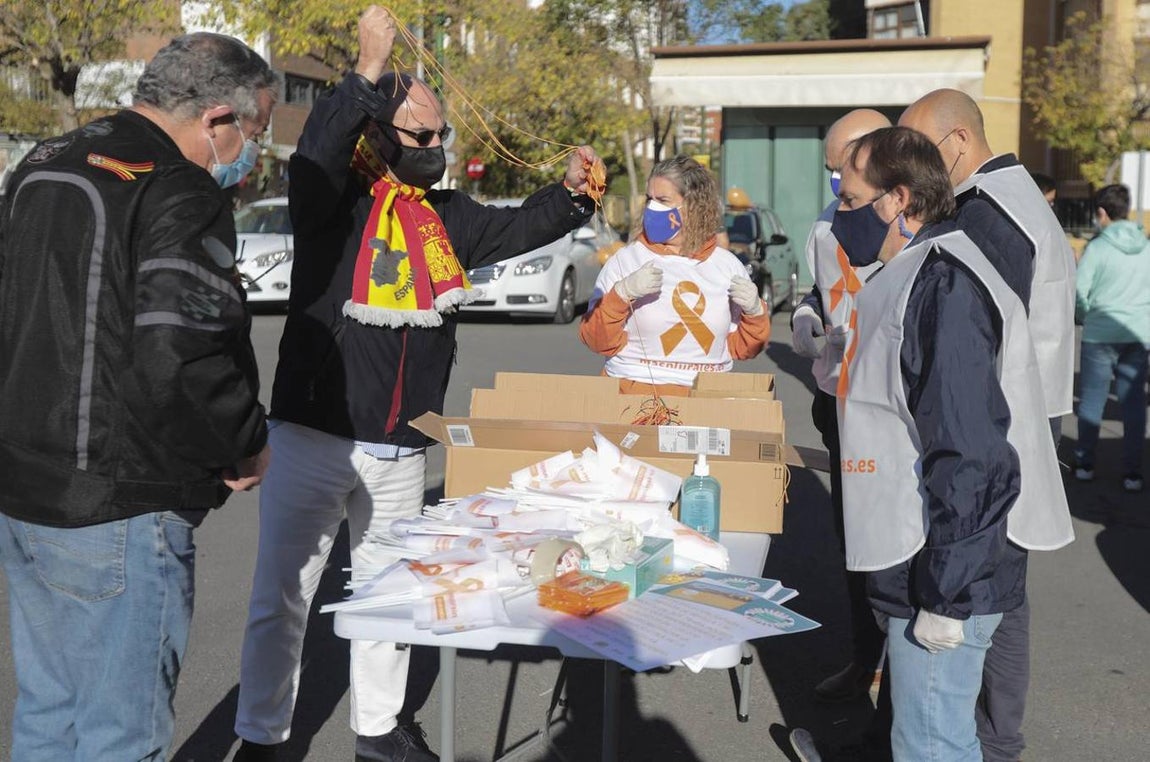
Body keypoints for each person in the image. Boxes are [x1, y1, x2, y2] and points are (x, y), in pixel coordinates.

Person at [232, 7, 602, 762]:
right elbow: (317, 150)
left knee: (387, 595)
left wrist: (575, 195)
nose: (437, 148)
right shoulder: (330, 203)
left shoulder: (449, 218)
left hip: (403, 446)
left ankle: (378, 730)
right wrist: (366, 71)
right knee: (284, 597)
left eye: (441, 136)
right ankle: (263, 736)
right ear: (378, 137)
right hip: (312, 435)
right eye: (421, 137)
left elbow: (519, 227)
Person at [0, 32, 274, 760]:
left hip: (26, 487)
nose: (254, 152)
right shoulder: (175, 186)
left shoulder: (43, 161)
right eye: (256, 131)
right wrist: (245, 439)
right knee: (122, 732)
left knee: (48, 715)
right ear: (218, 119)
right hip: (118, 500)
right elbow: (181, 349)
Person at [834, 126, 1074, 762]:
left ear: (899, 199)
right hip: (928, 561)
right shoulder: (919, 272)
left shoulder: (943, 285)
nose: (840, 215)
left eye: (853, 201)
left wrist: (948, 597)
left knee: (933, 746)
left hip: (943, 577)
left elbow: (969, 450)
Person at [899, 88, 1077, 762]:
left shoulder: (985, 217)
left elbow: (963, 353)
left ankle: (991, 743)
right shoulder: (1018, 198)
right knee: (1006, 597)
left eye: (918, 153)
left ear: (956, 145)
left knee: (985, 598)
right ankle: (998, 739)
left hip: (994, 434)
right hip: (1024, 422)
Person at [790, 109, 891, 711]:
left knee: (890, 538)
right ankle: (864, 658)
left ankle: (895, 665)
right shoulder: (829, 220)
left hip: (885, 406)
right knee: (851, 536)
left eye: (840, 170)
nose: (834, 183)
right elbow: (827, 287)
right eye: (829, 171)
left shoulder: (909, 219)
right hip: (837, 396)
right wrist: (806, 316)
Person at [579, 155, 770, 395]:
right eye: (649, 199)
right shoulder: (626, 261)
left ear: (692, 206)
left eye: (663, 200)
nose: (652, 208)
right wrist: (621, 293)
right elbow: (597, 340)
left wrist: (755, 312)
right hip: (631, 399)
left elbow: (743, 348)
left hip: (706, 401)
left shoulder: (727, 266)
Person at [1073, 184, 1150, 492]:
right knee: (1134, 404)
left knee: (1092, 400)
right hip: (1138, 333)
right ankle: (1132, 473)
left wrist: (1085, 314)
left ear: (1102, 213)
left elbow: (1080, 291)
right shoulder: (1146, 246)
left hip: (1100, 333)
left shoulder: (1097, 248)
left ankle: (1085, 464)